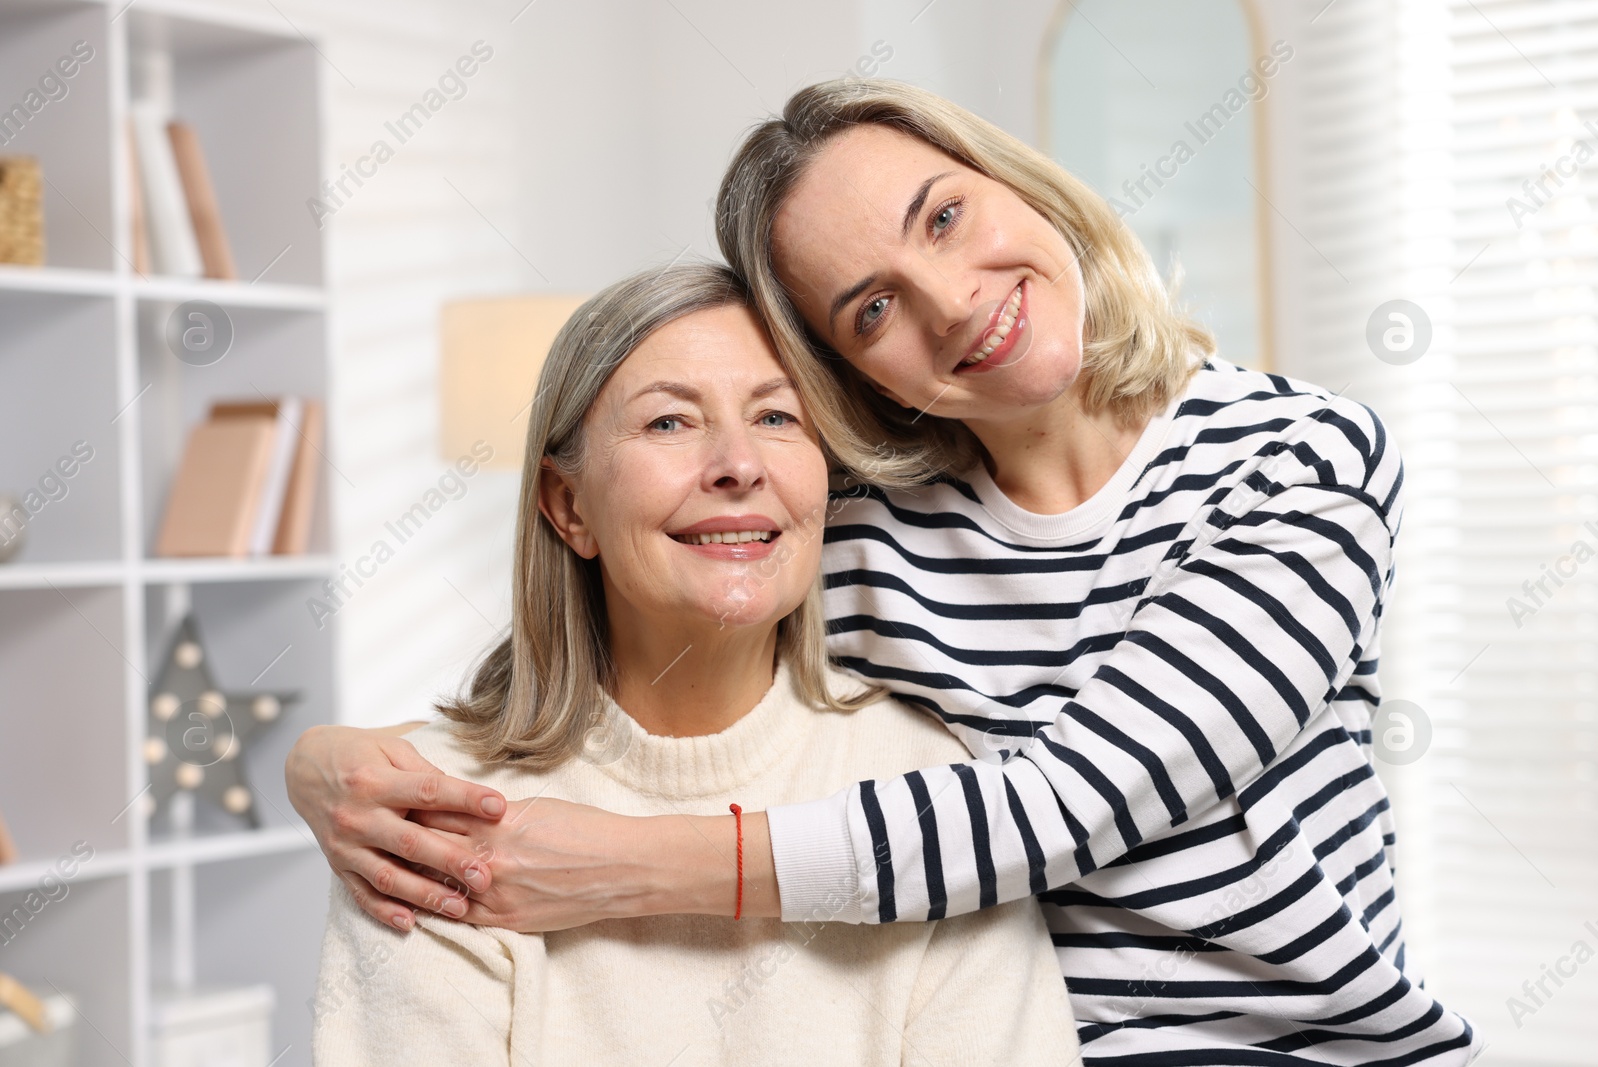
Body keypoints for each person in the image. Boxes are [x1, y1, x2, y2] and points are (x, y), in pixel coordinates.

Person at [290, 81, 1480, 1063]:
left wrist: (616, 868)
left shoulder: (1296, 459)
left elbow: (1058, 808)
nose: (956, 301)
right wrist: (325, 763)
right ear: (855, 379)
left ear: (1008, 175)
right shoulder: (861, 519)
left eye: (946, 217)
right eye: (871, 309)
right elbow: (617, 624)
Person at [309, 263, 1080, 1066]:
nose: (738, 464)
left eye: (778, 416)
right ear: (569, 506)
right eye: (670, 423)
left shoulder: (928, 785)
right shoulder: (428, 820)